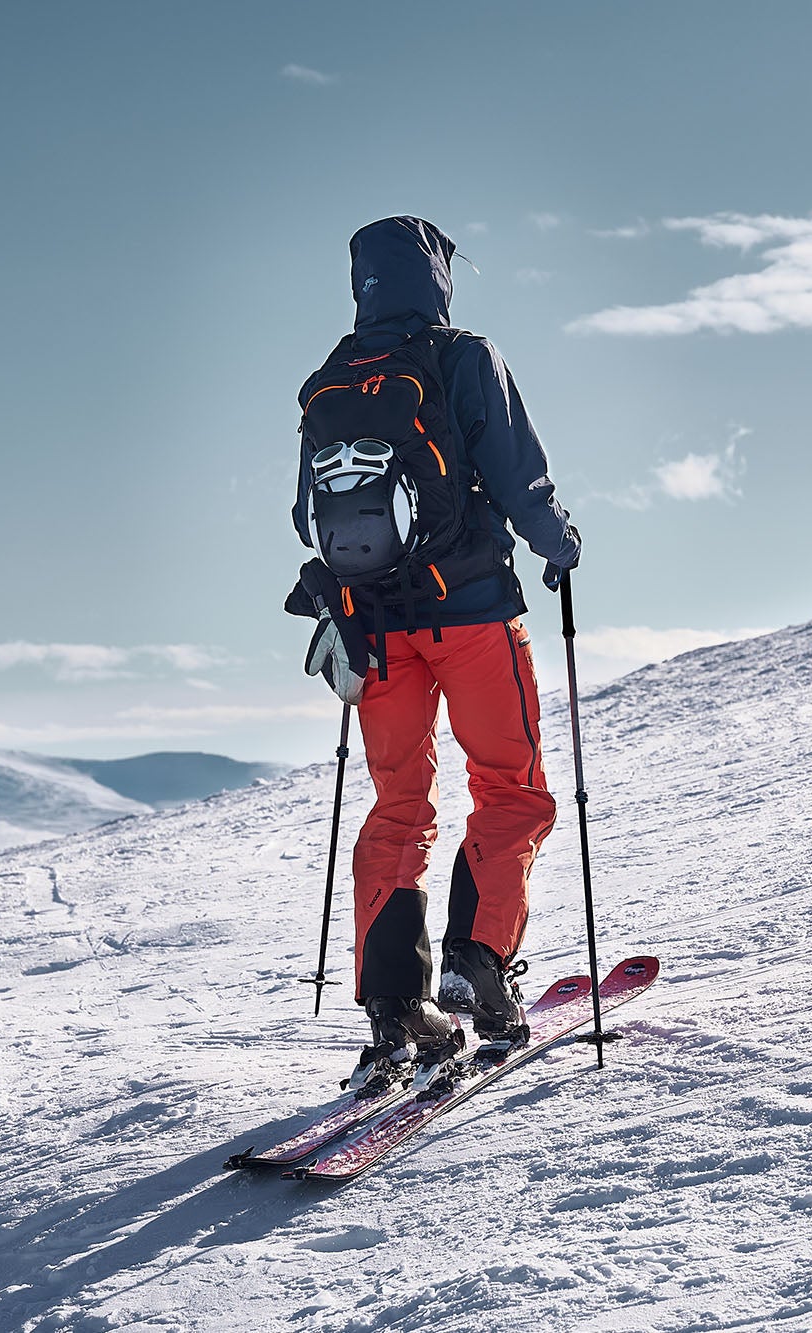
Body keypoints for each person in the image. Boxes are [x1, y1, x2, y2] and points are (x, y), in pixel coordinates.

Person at [287, 216, 580, 1092]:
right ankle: (478, 966)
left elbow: (307, 517)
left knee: (398, 806)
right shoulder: (463, 357)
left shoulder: (329, 381)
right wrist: (558, 544)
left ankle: (394, 1008)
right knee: (510, 786)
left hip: (375, 630)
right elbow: (518, 472)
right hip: (474, 613)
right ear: (437, 278)